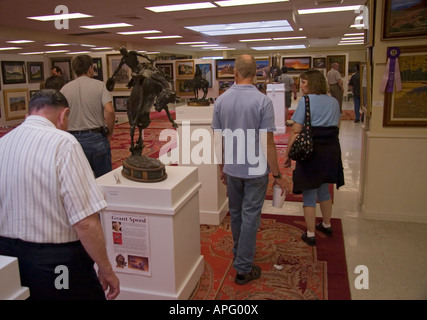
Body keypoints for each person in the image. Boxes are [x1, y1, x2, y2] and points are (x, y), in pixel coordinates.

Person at [0, 89, 120, 300]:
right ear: (63, 115)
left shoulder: (3, 143)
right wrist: (106, 268)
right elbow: (84, 222)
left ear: (28, 115)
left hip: (8, 259)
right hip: (57, 264)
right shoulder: (64, 143)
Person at [212, 54, 287, 285]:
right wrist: (277, 175)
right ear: (256, 74)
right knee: (250, 216)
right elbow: (269, 143)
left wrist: (221, 168)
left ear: (234, 72)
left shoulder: (221, 100)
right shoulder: (263, 101)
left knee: (236, 214)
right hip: (256, 171)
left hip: (233, 168)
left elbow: (218, 140)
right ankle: (243, 267)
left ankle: (239, 253)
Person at [284, 69, 344, 247]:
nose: (301, 86)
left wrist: (288, 154)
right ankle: (326, 224)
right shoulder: (333, 101)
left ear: (313, 83)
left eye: (303, 82)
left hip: (312, 150)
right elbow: (337, 124)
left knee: (309, 192)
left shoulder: (306, 101)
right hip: (331, 149)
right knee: (324, 189)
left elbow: (296, 130)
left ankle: (310, 233)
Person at [61, 55, 115, 178]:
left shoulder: (64, 89)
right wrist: (109, 133)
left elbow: (60, 115)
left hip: (73, 141)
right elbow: (110, 111)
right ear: (90, 68)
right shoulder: (100, 86)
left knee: (78, 181)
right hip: (96, 138)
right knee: (105, 180)